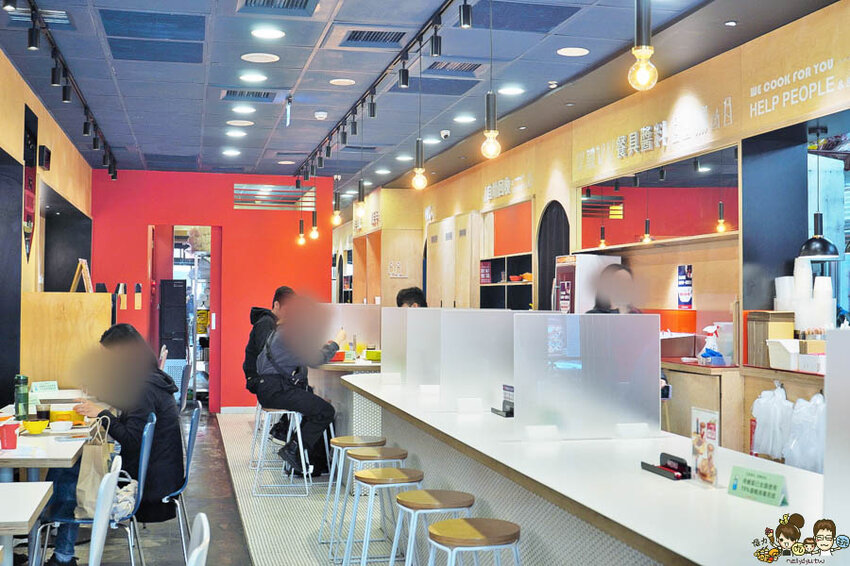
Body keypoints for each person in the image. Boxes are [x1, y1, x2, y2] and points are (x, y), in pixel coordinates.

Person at [44, 324, 184, 566]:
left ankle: (52, 537)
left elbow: (131, 438)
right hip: (159, 471)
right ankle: (56, 542)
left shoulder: (143, 387)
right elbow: (134, 409)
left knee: (70, 469)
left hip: (147, 482)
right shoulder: (150, 380)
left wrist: (101, 413)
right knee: (72, 466)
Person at [255, 295, 345, 473]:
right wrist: (336, 343)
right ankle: (293, 449)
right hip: (277, 391)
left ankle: (298, 451)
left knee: (313, 403)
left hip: (267, 389)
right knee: (326, 411)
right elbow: (315, 359)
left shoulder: (279, 332)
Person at [244, 286, 296, 444]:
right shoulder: (266, 323)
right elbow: (269, 354)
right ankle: (284, 431)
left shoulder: (273, 323)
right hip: (260, 380)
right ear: (276, 305)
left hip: (263, 379)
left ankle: (285, 429)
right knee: (301, 390)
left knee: (300, 388)